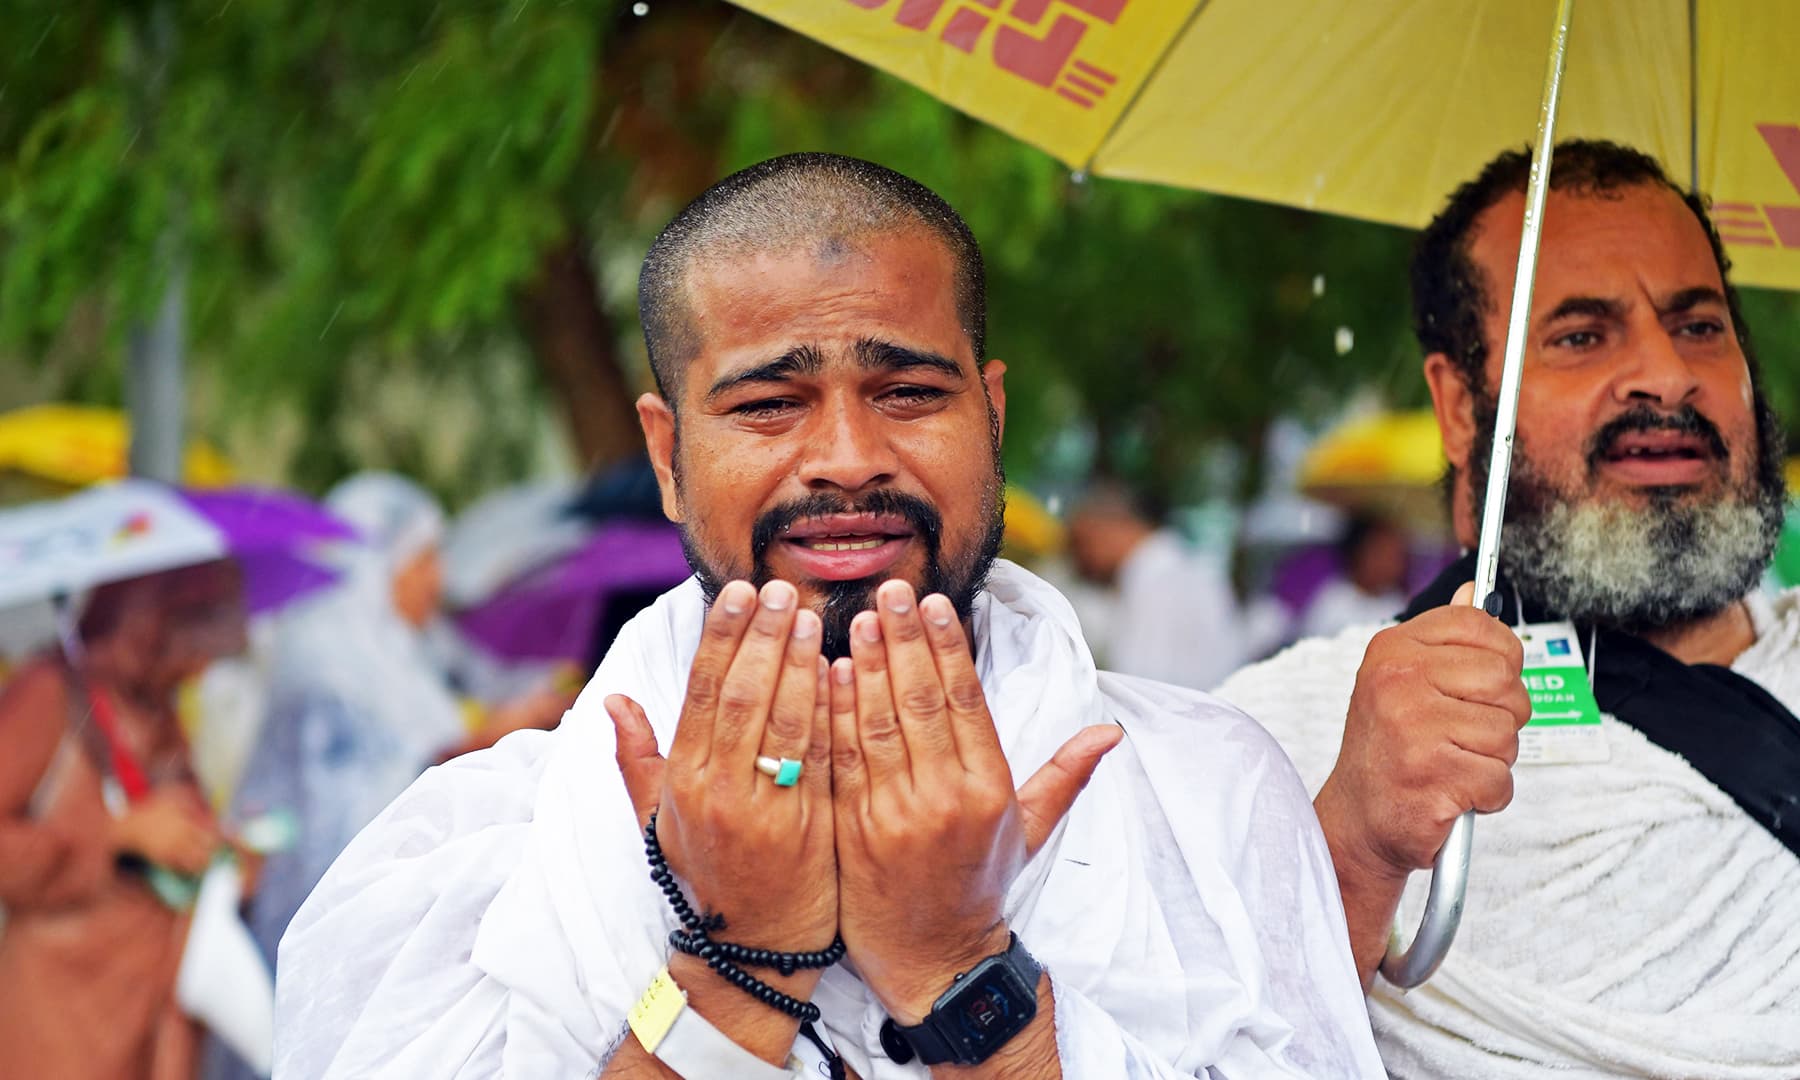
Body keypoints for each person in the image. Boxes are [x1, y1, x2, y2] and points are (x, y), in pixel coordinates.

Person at [275, 153, 1383, 1078]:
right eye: (769, 405)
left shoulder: (1207, 799)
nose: (849, 459)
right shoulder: (473, 853)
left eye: (909, 395)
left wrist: (960, 970)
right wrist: (740, 960)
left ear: (989, 416)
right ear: (667, 456)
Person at [1216, 140, 1799, 1077]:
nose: (1667, 374)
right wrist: (1355, 848)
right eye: (1581, 335)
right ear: (1456, 404)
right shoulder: (1278, 733)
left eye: (1699, 326)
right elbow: (1187, 1045)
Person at [224, 472, 569, 1009]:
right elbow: (402, 772)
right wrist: (501, 731)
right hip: (335, 901)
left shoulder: (403, 653)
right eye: (425, 558)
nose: (436, 579)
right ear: (381, 564)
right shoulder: (331, 662)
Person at [0, 560, 248, 1080]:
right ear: (151, 624)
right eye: (194, 639)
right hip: (61, 1021)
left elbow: (177, 822)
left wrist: (222, 850)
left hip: (148, 1018)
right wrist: (117, 837)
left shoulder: (159, 710)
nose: (201, 667)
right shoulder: (50, 693)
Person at [1065, 481, 1247, 689]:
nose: (1080, 557)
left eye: (1083, 541)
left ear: (1116, 526)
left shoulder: (1159, 581)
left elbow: (1139, 678)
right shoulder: (1177, 569)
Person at [1294, 514, 1410, 639]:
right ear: (1360, 553)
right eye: (1382, 554)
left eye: (1396, 556)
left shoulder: (1399, 605)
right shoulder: (1332, 597)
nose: (1391, 564)